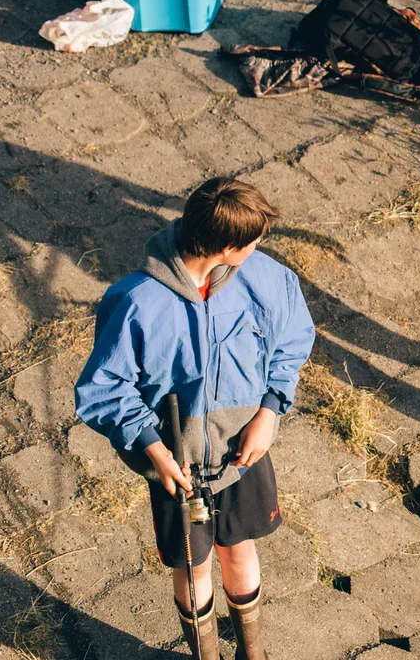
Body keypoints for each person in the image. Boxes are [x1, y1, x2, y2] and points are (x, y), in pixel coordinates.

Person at [75, 178, 315, 660]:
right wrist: (152, 448)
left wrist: (270, 410)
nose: (258, 249)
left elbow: (291, 342)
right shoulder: (136, 301)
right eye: (252, 242)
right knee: (194, 567)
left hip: (242, 458)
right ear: (226, 248)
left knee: (240, 548)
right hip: (177, 470)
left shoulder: (267, 279)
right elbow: (104, 389)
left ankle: (253, 654)